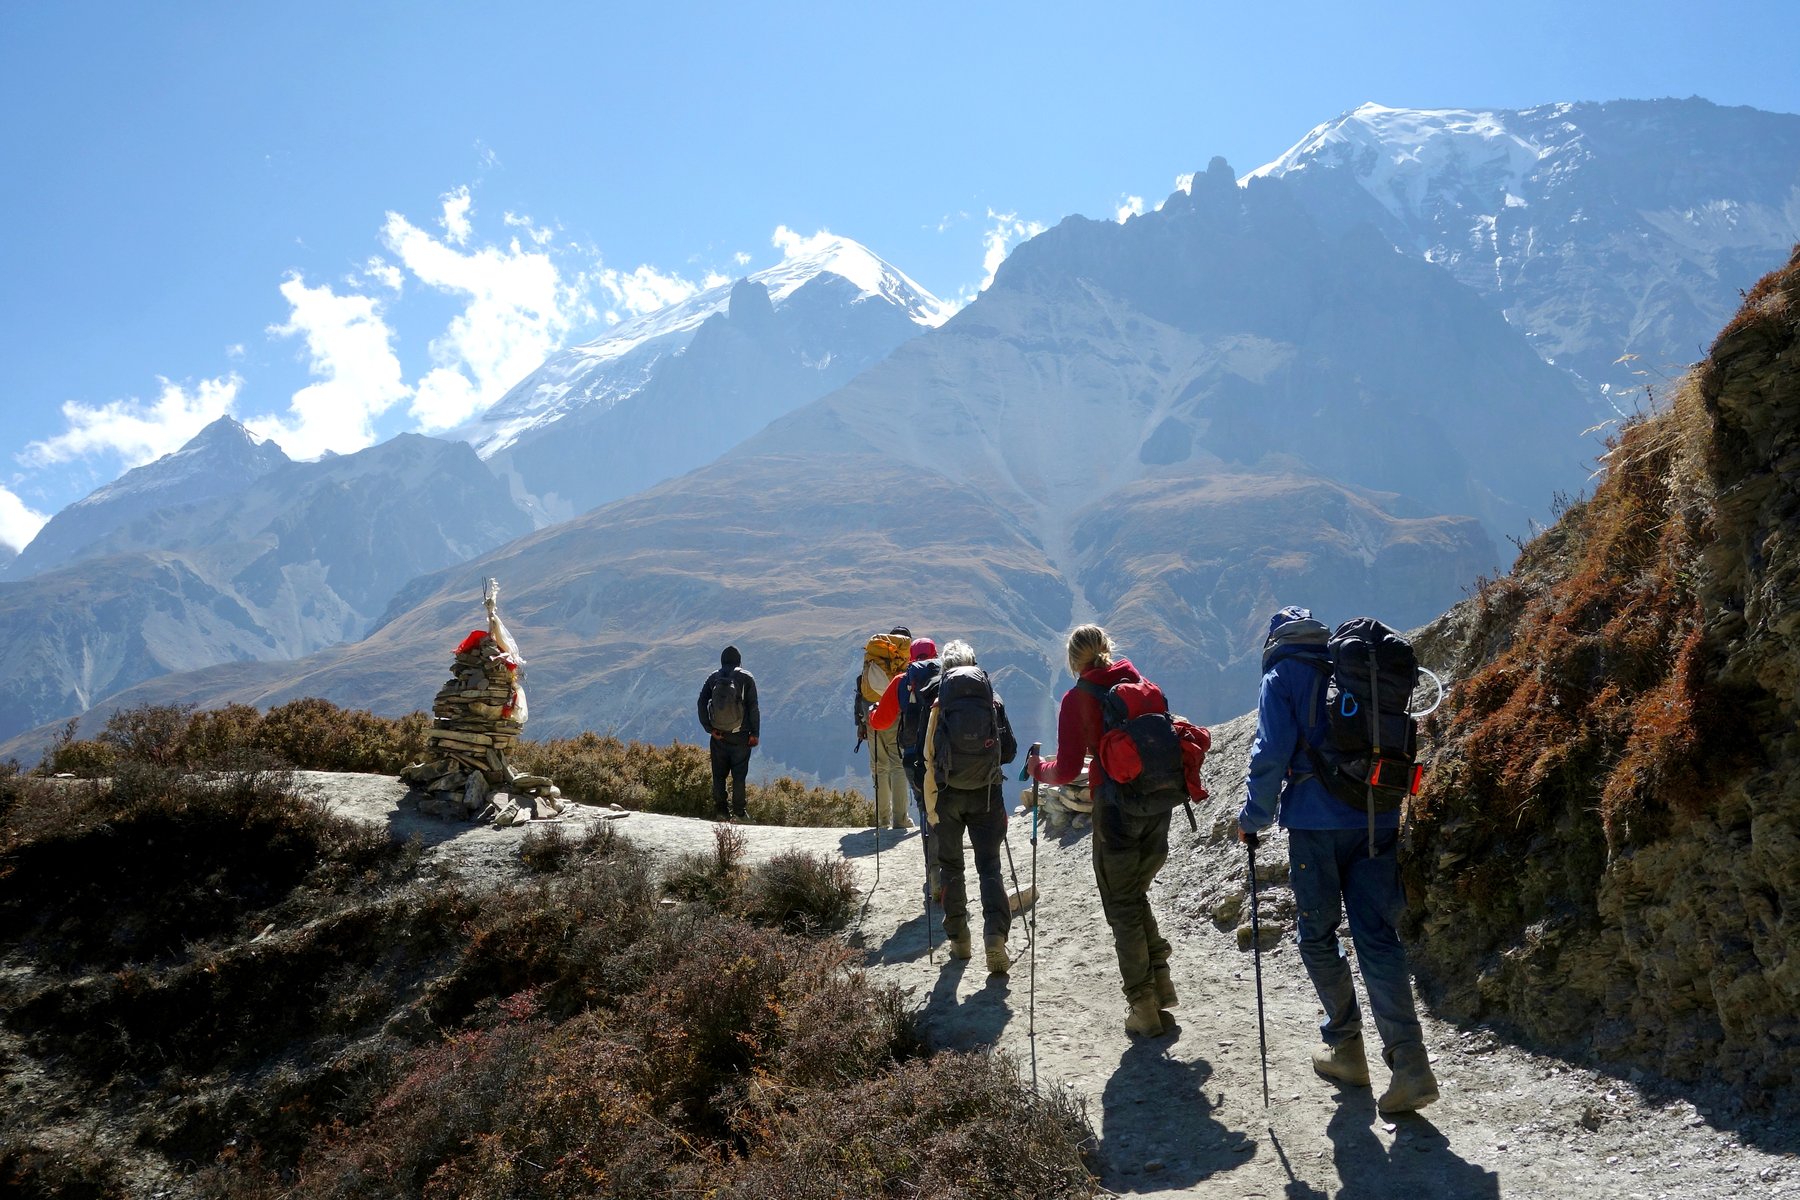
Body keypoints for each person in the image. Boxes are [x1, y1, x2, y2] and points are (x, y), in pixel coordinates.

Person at [1237, 606, 1439, 1114]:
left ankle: (1347, 1049)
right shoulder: (1345, 667)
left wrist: (1253, 817)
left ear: (1274, 640)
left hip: (1316, 826)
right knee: (1377, 936)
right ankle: (1410, 1065)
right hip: (1377, 818)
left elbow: (1271, 752)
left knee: (1318, 935)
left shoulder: (1282, 676)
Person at [1029, 623, 1176, 1036]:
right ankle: (1161, 983)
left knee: (1121, 903)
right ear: (1108, 649)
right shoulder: (1141, 683)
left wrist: (1038, 770)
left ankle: (1143, 1007)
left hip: (1115, 810)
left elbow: (1069, 769)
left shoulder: (1079, 698)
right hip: (1159, 803)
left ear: (1073, 661)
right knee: (1133, 893)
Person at [922, 639, 1017, 974]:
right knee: (989, 866)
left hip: (947, 795)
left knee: (951, 867)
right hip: (987, 796)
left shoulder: (936, 705)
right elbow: (1008, 752)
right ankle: (995, 936)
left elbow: (927, 756)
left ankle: (959, 940)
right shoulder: (993, 702)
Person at [859, 626, 913, 830]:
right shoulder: (903, 661)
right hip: (895, 718)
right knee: (897, 765)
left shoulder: (875, 656)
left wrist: (861, 722)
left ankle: (881, 820)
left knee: (879, 767)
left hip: (871, 717)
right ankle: (900, 819)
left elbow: (860, 689)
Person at [697, 644, 759, 821]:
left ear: (722, 661)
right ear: (739, 661)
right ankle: (739, 814)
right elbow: (753, 707)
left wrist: (709, 729)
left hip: (718, 735)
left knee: (719, 775)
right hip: (741, 735)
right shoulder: (746, 678)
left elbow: (701, 703)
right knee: (739, 776)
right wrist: (755, 733)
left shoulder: (713, 677)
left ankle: (721, 812)